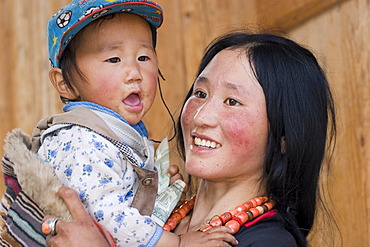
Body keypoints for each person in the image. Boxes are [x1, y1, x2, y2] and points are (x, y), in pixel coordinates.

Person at [41, 30, 337, 247]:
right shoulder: (150, 217)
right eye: (200, 93)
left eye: (232, 101)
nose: (199, 116)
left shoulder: (268, 243)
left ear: (284, 135)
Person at [0, 0, 237, 247]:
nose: (134, 72)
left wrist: (157, 192)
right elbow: (109, 217)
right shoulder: (81, 140)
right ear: (64, 84)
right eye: (114, 59)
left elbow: (119, 201)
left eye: (144, 57)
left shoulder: (113, 134)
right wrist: (178, 243)